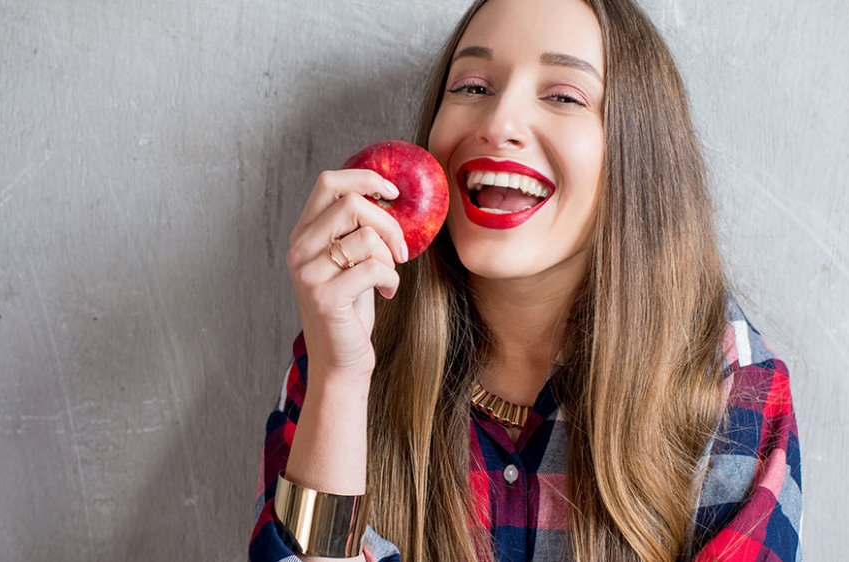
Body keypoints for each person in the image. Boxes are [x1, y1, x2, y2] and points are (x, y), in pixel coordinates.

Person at [249, 0, 802, 560]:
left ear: (636, 155)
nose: (497, 124)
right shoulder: (344, 343)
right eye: (471, 87)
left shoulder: (731, 384)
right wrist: (340, 381)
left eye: (563, 96)